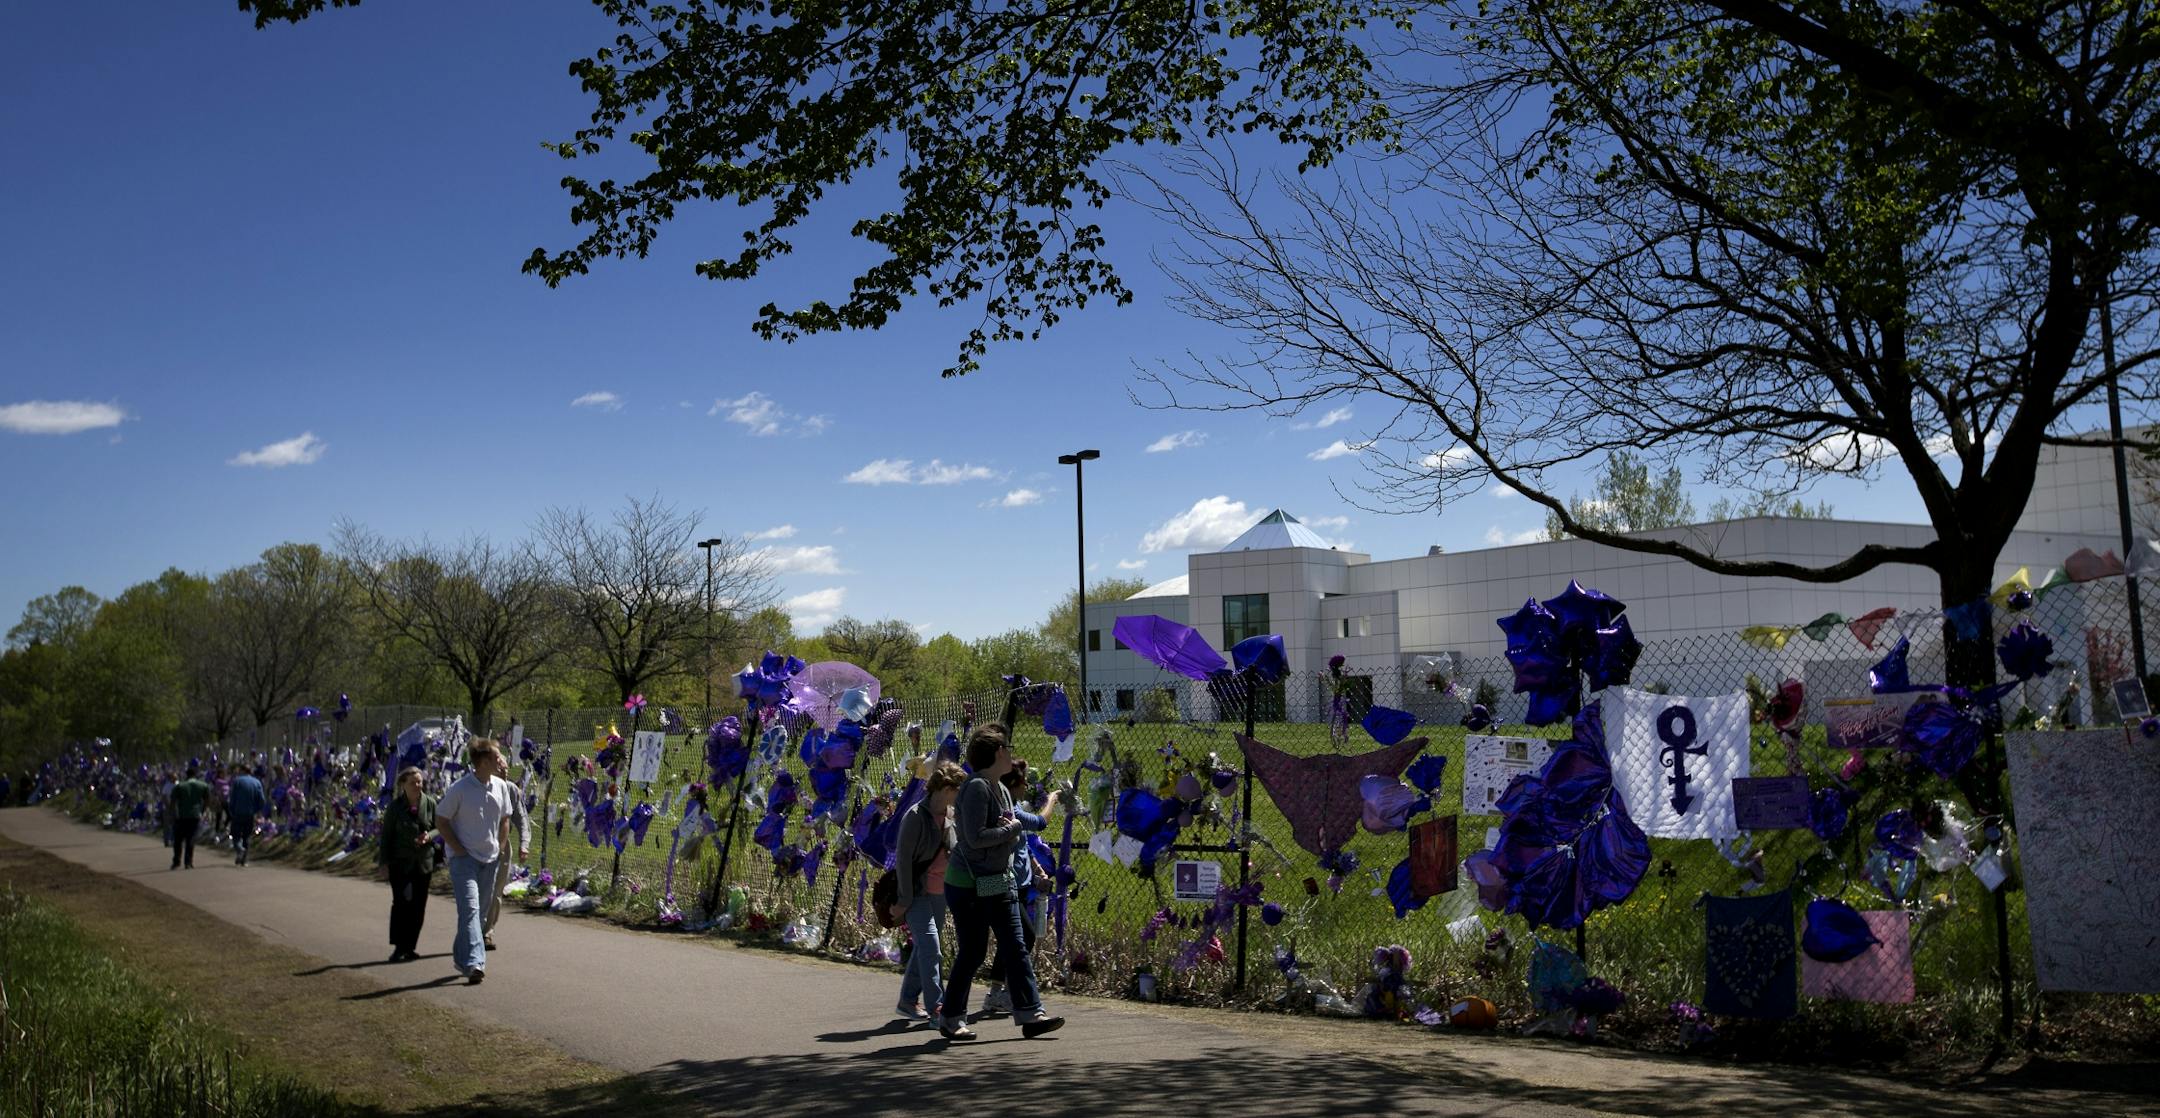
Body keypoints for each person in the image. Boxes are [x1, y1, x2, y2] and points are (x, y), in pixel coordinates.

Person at [939, 724, 1063, 1041]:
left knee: (1016, 947)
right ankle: (951, 1018)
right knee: (974, 951)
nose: (1010, 752)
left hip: (998, 881)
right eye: (1007, 748)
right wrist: (1011, 830)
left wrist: (1026, 819)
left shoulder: (1002, 789)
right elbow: (974, 839)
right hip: (968, 884)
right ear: (998, 753)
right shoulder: (977, 788)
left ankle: (1032, 1014)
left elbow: (1025, 822)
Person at [978, 760, 1060, 1016]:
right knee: (1023, 936)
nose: (1027, 787)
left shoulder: (1011, 808)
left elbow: (1022, 846)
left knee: (1014, 939)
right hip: (1005, 884)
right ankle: (1021, 999)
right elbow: (1041, 822)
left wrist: (1037, 875)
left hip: (1021, 885)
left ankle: (999, 993)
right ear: (1014, 785)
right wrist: (1053, 799)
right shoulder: (1009, 811)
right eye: (1024, 782)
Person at [889, 761, 967, 1023]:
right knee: (932, 948)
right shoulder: (914, 816)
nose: (960, 795)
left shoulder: (952, 815)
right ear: (946, 788)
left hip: (941, 892)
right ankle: (938, 1009)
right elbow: (903, 861)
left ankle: (908, 1001)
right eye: (958, 789)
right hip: (917, 894)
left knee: (926, 948)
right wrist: (903, 901)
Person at [435, 739, 510, 984]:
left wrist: (499, 846)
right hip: (463, 860)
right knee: (470, 910)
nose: (501, 761)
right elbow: (441, 820)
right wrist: (457, 849)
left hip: (489, 860)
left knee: (477, 916)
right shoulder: (460, 788)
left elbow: (505, 819)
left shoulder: (501, 786)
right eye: (497, 757)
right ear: (484, 761)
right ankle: (476, 963)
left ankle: (460, 957)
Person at [379, 764, 437, 962]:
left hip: (423, 863)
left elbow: (440, 828)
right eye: (413, 782)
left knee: (419, 906)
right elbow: (386, 837)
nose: (417, 785)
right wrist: (384, 863)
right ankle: (398, 946)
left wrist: (429, 836)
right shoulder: (395, 808)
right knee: (401, 904)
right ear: (403, 784)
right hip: (400, 863)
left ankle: (410, 946)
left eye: (420, 782)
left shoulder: (430, 804)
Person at [481, 767, 531, 951]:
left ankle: (487, 932)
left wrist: (524, 844)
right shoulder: (476, 786)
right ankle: (471, 929)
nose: (504, 769)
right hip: (477, 845)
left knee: (495, 891)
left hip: (501, 845)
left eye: (506, 768)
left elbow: (521, 818)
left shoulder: (511, 789)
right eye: (499, 766)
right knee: (477, 890)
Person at [168, 762, 211, 870]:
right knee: (190, 839)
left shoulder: (179, 786)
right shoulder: (203, 785)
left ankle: (176, 861)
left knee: (178, 839)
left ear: (186, 775)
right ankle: (188, 862)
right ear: (195, 775)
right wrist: (202, 810)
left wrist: (173, 814)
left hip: (181, 816)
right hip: (195, 815)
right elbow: (207, 800)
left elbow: (173, 802)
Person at [227, 767, 267, 866]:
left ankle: (239, 849)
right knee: (246, 836)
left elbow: (232, 797)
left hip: (238, 812)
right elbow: (261, 799)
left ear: (243, 771)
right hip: (250, 813)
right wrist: (256, 810)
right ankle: (243, 860)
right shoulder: (257, 782)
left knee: (235, 834)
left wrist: (231, 810)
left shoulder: (237, 781)